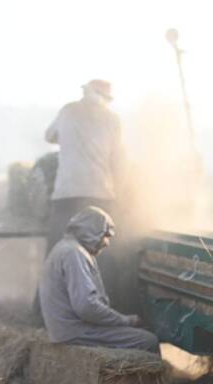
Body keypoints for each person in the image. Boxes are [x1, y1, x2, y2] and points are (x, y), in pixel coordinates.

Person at [44, 80, 139, 313]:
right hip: (100, 195)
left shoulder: (68, 110)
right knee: (101, 256)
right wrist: (123, 195)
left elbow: (49, 136)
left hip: (66, 194)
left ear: (86, 92)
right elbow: (119, 160)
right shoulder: (113, 119)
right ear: (107, 98)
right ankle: (103, 309)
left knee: (57, 251)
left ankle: (46, 311)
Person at [39, 206, 160, 354]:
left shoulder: (64, 247)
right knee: (148, 340)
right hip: (76, 331)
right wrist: (126, 321)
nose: (107, 243)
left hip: (64, 329)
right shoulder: (74, 253)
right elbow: (86, 307)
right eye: (105, 236)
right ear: (91, 231)